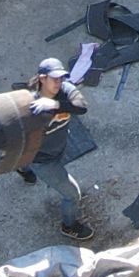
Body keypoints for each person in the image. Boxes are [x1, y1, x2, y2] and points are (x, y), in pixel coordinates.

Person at [18, 56, 91, 237]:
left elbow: (81, 106)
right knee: (73, 195)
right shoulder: (29, 102)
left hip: (58, 146)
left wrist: (55, 104)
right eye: (54, 79)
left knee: (26, 159)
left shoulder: (65, 90)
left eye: (61, 78)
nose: (59, 83)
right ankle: (69, 226)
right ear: (42, 78)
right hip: (43, 160)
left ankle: (23, 168)